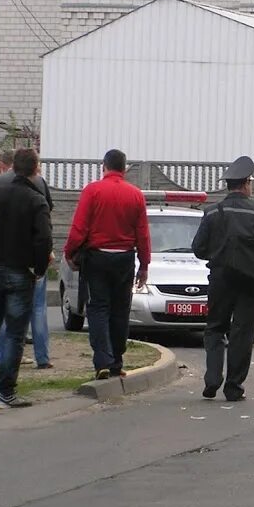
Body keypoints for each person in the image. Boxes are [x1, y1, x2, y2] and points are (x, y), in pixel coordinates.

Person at [192, 156, 254, 402]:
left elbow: (198, 249)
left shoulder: (212, 212)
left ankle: (212, 379)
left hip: (220, 279)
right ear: (245, 184)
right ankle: (233, 387)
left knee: (214, 328)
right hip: (250, 281)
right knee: (242, 333)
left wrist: (218, 250)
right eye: (251, 182)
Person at [64, 149, 150, 380]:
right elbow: (142, 233)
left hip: (97, 258)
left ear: (104, 166)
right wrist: (144, 265)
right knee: (120, 310)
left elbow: (79, 227)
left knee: (98, 308)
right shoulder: (136, 195)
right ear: (124, 168)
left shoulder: (92, 191)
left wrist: (69, 252)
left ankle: (102, 359)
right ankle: (117, 361)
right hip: (124, 258)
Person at [0, 149, 52, 409]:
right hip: (20, 271)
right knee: (15, 334)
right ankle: (5, 392)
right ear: (35, 169)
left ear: (13, 167)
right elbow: (43, 240)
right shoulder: (36, 200)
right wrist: (39, 269)